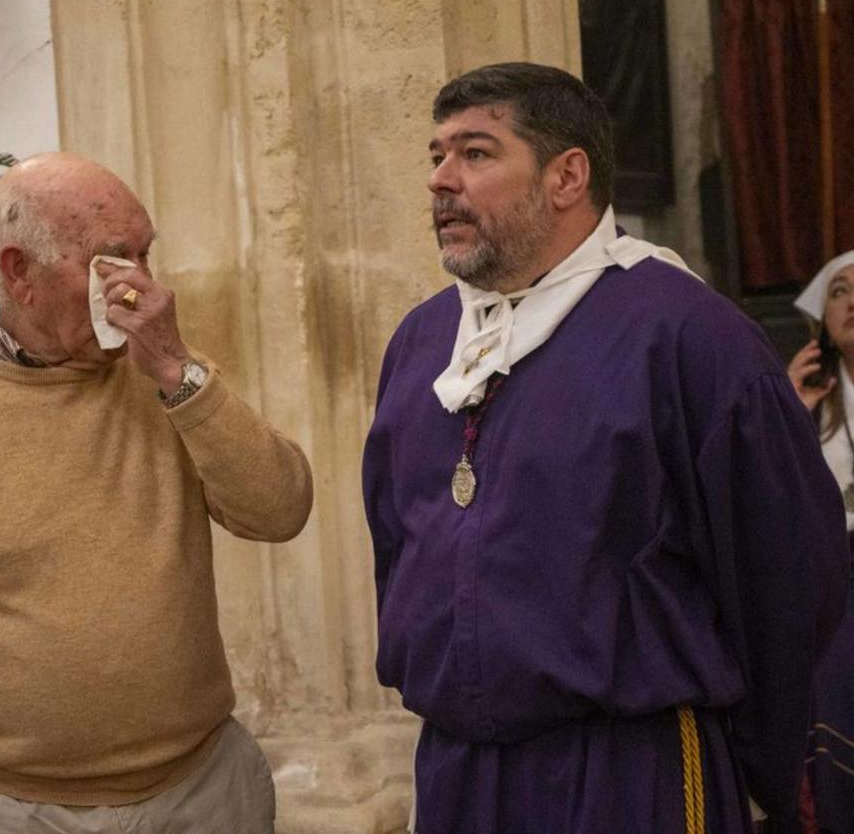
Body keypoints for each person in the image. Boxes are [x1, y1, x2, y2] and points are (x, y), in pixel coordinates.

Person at [361, 62, 848, 833]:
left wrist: (761, 773)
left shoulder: (689, 337)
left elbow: (785, 577)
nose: (441, 181)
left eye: (477, 154)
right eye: (436, 156)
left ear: (567, 176)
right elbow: (397, 538)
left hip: (630, 772)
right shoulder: (424, 342)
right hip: (459, 771)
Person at [0, 152, 313, 834]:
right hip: (10, 810)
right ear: (20, 272)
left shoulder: (166, 374)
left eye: (145, 256)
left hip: (202, 791)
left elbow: (280, 510)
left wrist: (180, 374)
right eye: (113, 260)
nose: (143, 287)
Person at [788, 250, 854, 834]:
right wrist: (787, 411)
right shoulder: (807, 401)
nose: (852, 300)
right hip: (837, 581)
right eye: (838, 290)